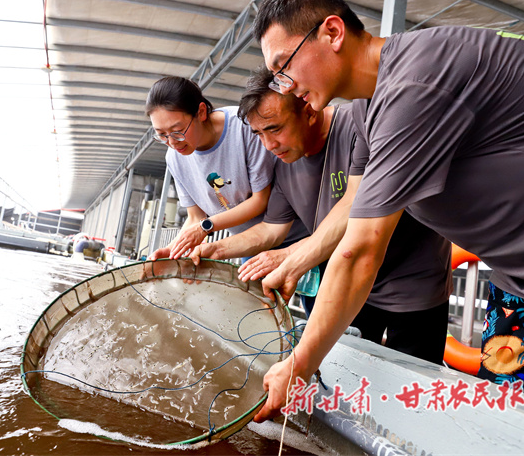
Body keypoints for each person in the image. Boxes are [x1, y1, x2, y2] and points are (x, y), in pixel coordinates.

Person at [252, 0, 524, 419]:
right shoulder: (369, 107)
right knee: (510, 424)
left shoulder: (417, 83)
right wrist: (296, 257)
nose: (286, 85)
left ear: (332, 32)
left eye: (284, 66)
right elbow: (357, 204)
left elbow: (361, 249)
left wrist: (299, 364)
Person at [189, 66, 452, 365]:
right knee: (346, 373)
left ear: (310, 111)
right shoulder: (284, 161)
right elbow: (271, 230)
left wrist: (290, 258)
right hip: (349, 282)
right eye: (259, 134)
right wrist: (215, 249)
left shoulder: (361, 126)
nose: (269, 145)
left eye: (275, 129)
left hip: (413, 283)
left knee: (414, 379)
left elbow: (356, 210)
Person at [145, 76, 306, 260]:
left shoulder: (244, 126)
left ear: (201, 112)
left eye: (178, 131)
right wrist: (172, 251)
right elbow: (195, 218)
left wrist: (205, 227)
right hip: (247, 243)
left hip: (291, 234)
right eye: (162, 135)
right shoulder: (174, 158)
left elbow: (260, 200)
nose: (172, 142)